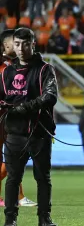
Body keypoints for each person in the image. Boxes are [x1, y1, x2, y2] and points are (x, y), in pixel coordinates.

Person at [0, 28, 58, 226]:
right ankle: (10, 221)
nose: (21, 48)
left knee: (43, 178)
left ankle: (44, 219)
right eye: (17, 44)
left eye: (25, 44)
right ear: (13, 45)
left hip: (39, 132)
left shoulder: (45, 69)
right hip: (14, 134)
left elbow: (50, 97)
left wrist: (25, 108)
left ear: (33, 44)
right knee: (13, 179)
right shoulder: (7, 72)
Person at [0, 29, 37, 208]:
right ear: (7, 45)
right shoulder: (5, 68)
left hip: (11, 121)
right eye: (15, 43)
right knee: (11, 160)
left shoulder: (14, 65)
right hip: (4, 121)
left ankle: (19, 197)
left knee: (13, 159)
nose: (20, 46)